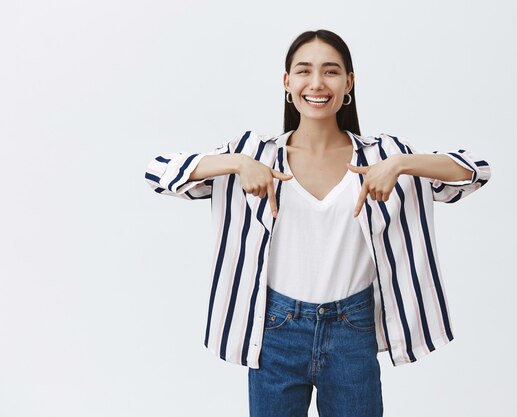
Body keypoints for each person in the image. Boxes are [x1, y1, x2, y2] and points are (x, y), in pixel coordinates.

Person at [145, 29, 491, 417]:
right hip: (274, 331)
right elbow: (159, 173)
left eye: (330, 71)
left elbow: (475, 172)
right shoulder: (255, 154)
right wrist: (237, 163)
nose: (316, 83)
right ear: (286, 83)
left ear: (349, 84)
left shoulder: (382, 155)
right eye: (304, 71)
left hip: (352, 329)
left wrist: (401, 164)